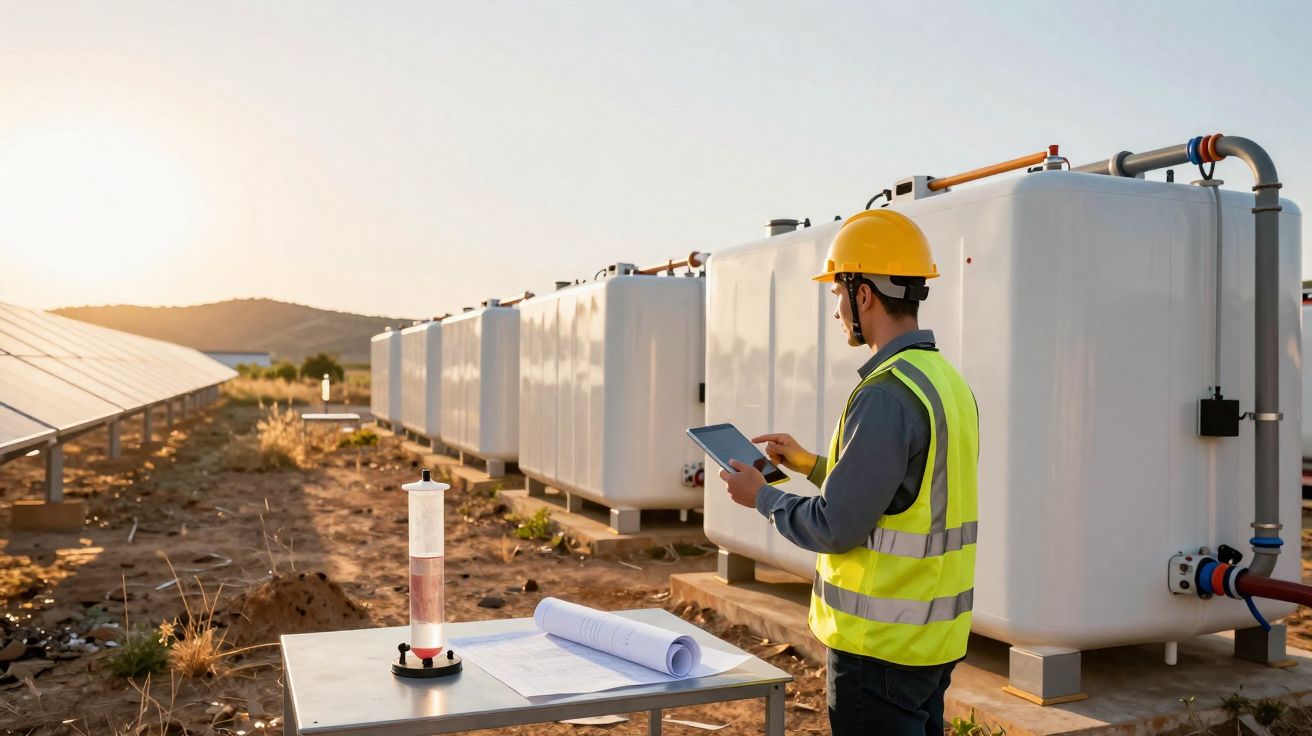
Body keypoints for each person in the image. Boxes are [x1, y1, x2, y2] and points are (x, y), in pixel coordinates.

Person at [719, 209, 979, 736]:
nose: (837, 309)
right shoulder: (945, 381)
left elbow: (838, 526)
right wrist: (812, 466)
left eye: (838, 293)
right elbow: (903, 495)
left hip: (878, 650)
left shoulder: (885, 393)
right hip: (932, 644)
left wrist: (762, 498)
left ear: (863, 295)